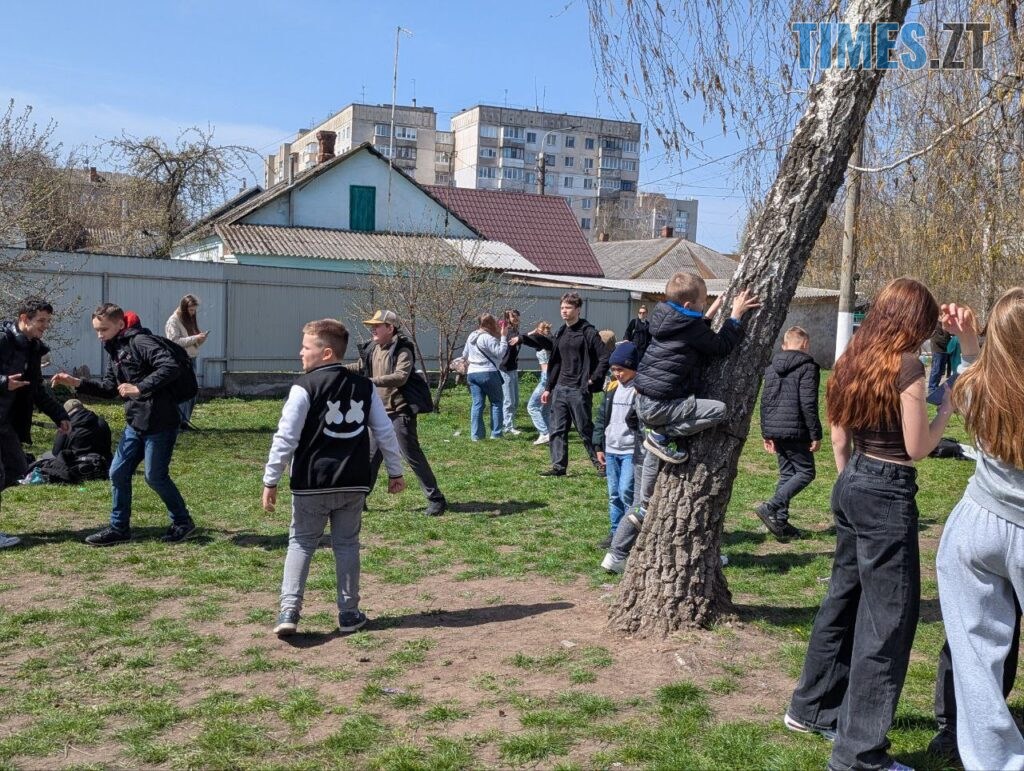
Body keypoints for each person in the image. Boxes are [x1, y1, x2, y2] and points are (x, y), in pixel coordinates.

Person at [785, 278, 954, 771]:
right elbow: (918, 447)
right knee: (888, 624)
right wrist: (946, 408)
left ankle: (811, 708)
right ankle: (859, 754)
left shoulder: (852, 358)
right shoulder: (907, 366)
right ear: (913, 322)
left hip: (853, 479)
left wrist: (850, 483)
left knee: (842, 600)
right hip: (887, 489)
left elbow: (839, 436)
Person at [263, 319, 405, 636]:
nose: (300, 352)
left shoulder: (304, 387)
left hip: (311, 484)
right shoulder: (365, 387)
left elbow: (286, 437)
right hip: (353, 482)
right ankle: (349, 613)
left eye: (306, 347)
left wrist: (271, 479)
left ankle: (289, 611)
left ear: (326, 353)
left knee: (301, 543)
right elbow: (385, 431)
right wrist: (395, 471)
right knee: (347, 545)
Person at [934, 289, 1024, 770]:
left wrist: (969, 340)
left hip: (976, 527)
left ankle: (995, 762)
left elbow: (972, 372)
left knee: (975, 661)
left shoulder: (974, 389)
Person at [51, 303, 197, 546]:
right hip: (136, 423)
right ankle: (119, 529)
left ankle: (182, 522)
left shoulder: (140, 342)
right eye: (96, 330)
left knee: (155, 477)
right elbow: (110, 389)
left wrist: (140, 387)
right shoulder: (115, 349)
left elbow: (170, 366)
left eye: (104, 329)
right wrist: (76, 382)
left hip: (161, 423)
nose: (100, 336)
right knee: (117, 472)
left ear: (120, 324)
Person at [350, 310, 446, 517]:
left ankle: (436, 499)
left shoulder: (403, 349)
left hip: (400, 412)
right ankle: (359, 500)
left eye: (377, 325)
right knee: (370, 457)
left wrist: (369, 382)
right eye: (372, 326)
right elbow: (359, 367)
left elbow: (401, 377)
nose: (373, 329)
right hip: (378, 413)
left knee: (411, 455)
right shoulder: (372, 348)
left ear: (390, 328)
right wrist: (334, 369)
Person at [0, 297, 70, 548]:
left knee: (17, 467)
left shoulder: (33, 348)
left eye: (47, 321)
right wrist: (3, 382)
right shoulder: (3, 340)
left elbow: (37, 389)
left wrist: (60, 414)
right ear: (24, 318)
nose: (45, 326)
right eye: (41, 320)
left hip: (6, 422)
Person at [525, 292, 609, 477]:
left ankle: (602, 464)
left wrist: (593, 378)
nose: (564, 311)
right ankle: (558, 467)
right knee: (557, 429)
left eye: (568, 307)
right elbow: (556, 362)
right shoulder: (561, 332)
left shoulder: (588, 332)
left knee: (585, 429)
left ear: (578, 309)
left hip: (579, 389)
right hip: (560, 388)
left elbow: (605, 357)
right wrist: (548, 388)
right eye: (562, 307)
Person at [756, 326, 822, 541]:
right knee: (805, 472)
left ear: (784, 345)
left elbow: (765, 401)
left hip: (776, 428)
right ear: (806, 345)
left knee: (787, 474)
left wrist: (766, 432)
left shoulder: (771, 368)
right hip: (796, 429)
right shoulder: (808, 367)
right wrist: (815, 434)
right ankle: (770, 507)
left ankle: (780, 521)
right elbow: (808, 403)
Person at [593, 342, 639, 550]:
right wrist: (598, 445)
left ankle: (629, 534)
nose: (617, 374)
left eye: (621, 369)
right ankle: (614, 533)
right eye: (614, 369)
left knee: (626, 491)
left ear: (633, 368)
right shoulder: (612, 388)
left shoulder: (639, 390)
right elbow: (602, 417)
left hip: (630, 450)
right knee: (614, 494)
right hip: (611, 448)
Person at [165, 294, 208, 431]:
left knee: (192, 392)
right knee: (184, 391)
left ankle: (184, 421)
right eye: (191, 310)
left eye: (194, 310)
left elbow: (191, 342)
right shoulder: (173, 321)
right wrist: (195, 338)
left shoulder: (188, 320)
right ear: (184, 308)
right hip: (181, 360)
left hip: (191, 358)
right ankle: (178, 422)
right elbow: (174, 342)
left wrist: (200, 340)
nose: (193, 313)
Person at [463, 314, 507, 441]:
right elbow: (500, 353)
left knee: (477, 404)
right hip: (488, 372)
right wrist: (503, 337)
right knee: (496, 402)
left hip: (472, 373)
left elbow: (465, 354)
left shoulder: (471, 336)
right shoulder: (487, 337)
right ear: (489, 324)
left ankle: (476, 435)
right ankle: (496, 434)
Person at [52, 399, 113, 465]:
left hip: (76, 466)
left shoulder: (66, 426)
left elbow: (56, 452)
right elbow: (108, 447)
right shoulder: (102, 422)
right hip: (102, 464)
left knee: (47, 456)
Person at [524, 321, 553, 445]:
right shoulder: (551, 342)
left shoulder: (544, 344)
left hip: (546, 378)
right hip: (552, 377)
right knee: (545, 410)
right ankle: (550, 435)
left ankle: (544, 433)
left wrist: (534, 332)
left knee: (532, 407)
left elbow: (526, 337)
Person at [499, 309, 523, 436]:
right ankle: (507, 426)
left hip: (513, 368)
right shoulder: (507, 330)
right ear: (508, 318)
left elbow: (521, 339)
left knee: (515, 400)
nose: (516, 318)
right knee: (509, 400)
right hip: (505, 369)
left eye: (517, 316)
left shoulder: (515, 330)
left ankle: (510, 423)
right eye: (513, 316)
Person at [927, 321, 952, 394]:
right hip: (937, 351)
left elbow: (948, 339)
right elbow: (937, 340)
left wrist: (948, 341)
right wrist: (947, 342)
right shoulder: (936, 325)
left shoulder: (946, 325)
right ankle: (931, 388)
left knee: (941, 371)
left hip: (945, 351)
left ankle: (936, 386)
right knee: (936, 370)